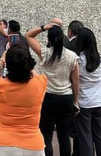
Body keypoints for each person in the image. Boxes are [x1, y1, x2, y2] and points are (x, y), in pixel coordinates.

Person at [26, 23, 79, 156]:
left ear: (49, 39)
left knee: (47, 135)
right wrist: (75, 101)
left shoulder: (45, 53)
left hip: (48, 96)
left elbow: (28, 35)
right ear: (62, 38)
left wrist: (44, 27)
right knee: (64, 136)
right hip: (66, 97)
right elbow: (76, 81)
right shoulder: (72, 56)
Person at [0, 45, 49, 156]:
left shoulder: (2, 86)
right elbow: (39, 77)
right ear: (29, 63)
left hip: (6, 142)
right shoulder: (39, 84)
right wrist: (26, 62)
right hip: (34, 142)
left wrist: (1, 60)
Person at [72, 28, 101, 156]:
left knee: (85, 137)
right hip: (100, 101)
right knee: (100, 135)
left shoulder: (78, 60)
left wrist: (75, 101)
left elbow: (75, 80)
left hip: (84, 102)